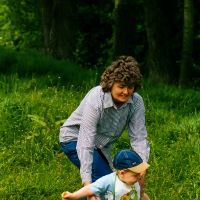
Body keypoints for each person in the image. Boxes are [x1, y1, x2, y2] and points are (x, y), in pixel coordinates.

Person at [59, 56, 150, 199]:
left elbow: (138, 137)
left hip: (101, 146)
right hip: (74, 139)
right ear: (111, 84)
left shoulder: (136, 102)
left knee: (114, 184)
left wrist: (141, 168)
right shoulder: (97, 98)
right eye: (121, 86)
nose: (126, 92)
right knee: (110, 186)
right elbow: (86, 141)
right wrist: (87, 184)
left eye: (130, 87)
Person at [61, 149, 150, 200]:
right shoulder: (109, 181)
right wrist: (73, 195)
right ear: (122, 173)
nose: (140, 176)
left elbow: (141, 194)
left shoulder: (134, 181)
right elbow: (90, 188)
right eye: (136, 175)